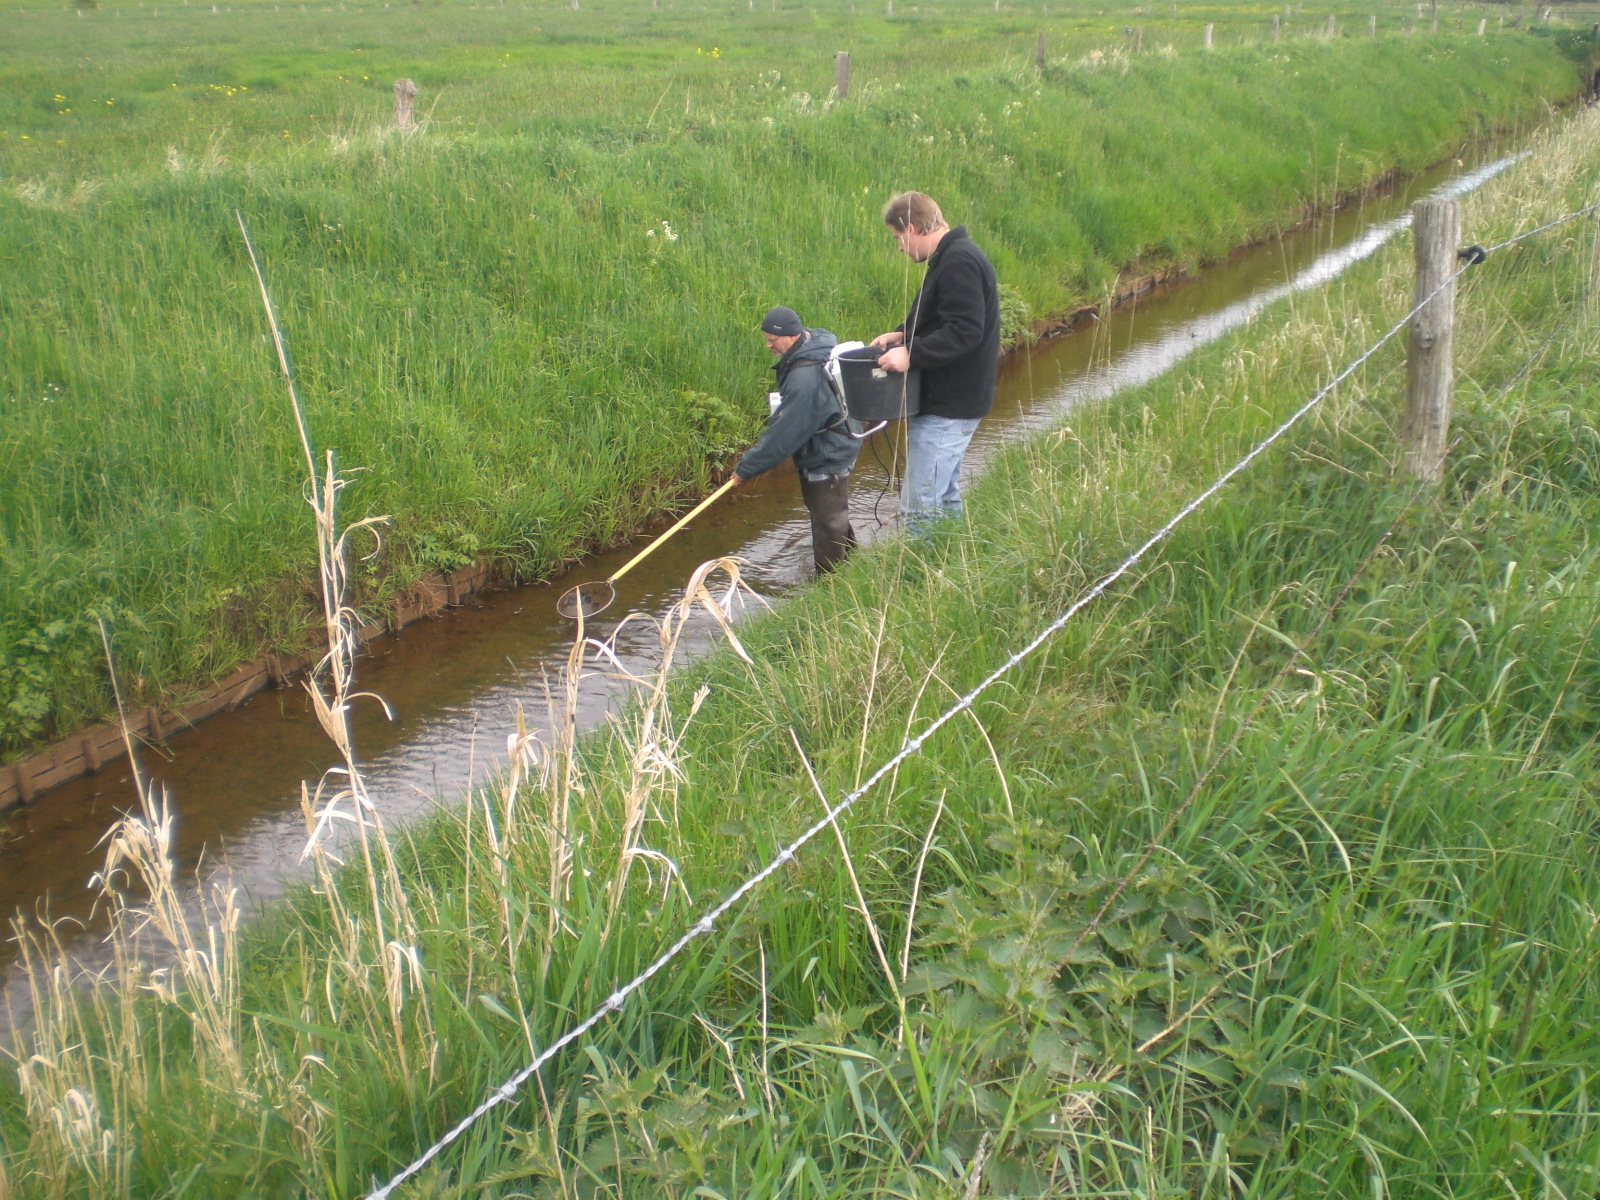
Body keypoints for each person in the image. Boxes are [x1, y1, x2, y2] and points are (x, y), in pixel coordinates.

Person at [871, 191, 1001, 530]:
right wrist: (902, 334)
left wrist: (911, 355)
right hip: (951, 401)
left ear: (912, 228)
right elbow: (942, 318)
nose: (899, 246)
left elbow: (964, 330)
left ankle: (925, 577)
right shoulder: (948, 258)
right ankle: (954, 563)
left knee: (919, 502)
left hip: (949, 405)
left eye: (898, 238)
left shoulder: (959, 261)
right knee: (943, 496)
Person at [730, 306, 861, 575]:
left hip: (829, 452)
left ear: (791, 336)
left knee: (827, 521)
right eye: (766, 339)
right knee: (830, 511)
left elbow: (785, 432)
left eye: (772, 340)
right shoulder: (814, 343)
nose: (768, 345)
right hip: (837, 439)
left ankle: (831, 586)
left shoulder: (804, 378)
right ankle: (853, 566)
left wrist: (746, 468)